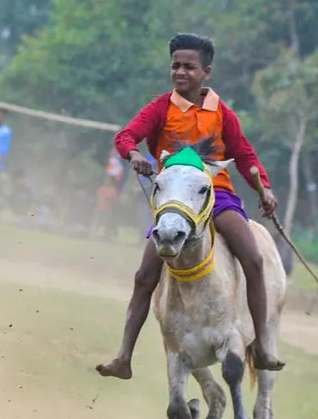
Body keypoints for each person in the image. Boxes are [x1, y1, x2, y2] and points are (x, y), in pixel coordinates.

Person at [96, 33, 284, 380]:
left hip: (217, 195)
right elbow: (125, 137)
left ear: (206, 72)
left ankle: (264, 345)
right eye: (175, 66)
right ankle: (124, 357)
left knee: (254, 258)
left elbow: (244, 155)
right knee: (144, 276)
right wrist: (135, 154)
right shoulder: (159, 109)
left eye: (189, 67)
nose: (180, 72)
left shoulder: (222, 112)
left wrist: (265, 189)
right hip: (175, 202)